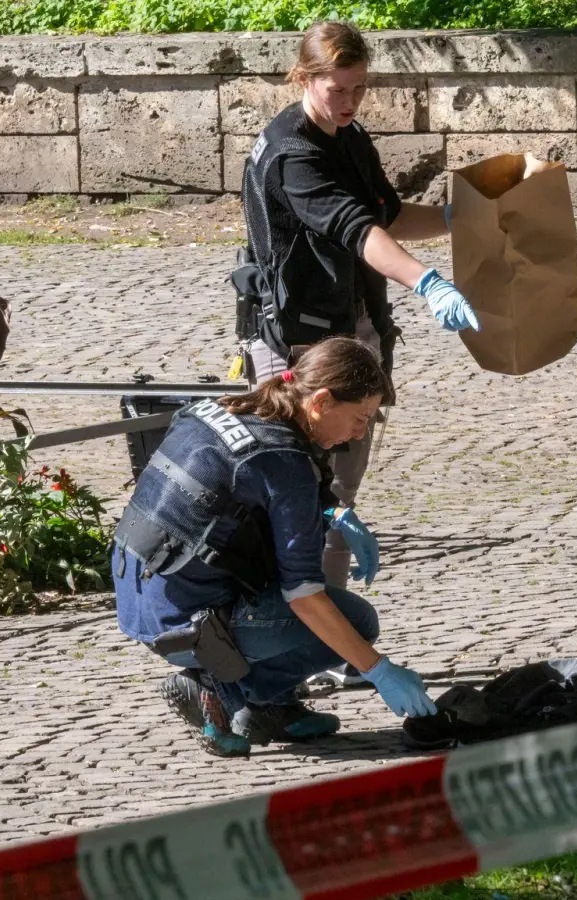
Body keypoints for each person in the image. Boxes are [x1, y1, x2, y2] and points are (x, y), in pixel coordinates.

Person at [235, 19, 478, 590]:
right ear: (303, 77)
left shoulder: (349, 137)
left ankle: (330, 626)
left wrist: (454, 220)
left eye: (359, 88)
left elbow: (384, 215)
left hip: (352, 332)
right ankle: (289, 633)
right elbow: (356, 230)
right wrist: (427, 282)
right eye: (336, 89)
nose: (349, 101)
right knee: (296, 495)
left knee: (339, 490)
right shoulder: (293, 153)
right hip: (296, 342)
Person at [113, 337, 437, 758]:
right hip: (186, 619)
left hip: (138, 586)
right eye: (360, 417)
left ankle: (269, 706)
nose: (360, 433)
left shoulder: (221, 408)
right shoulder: (286, 463)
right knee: (355, 620)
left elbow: (235, 487)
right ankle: (220, 691)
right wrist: (377, 668)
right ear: (320, 402)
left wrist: (330, 512)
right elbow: (303, 595)